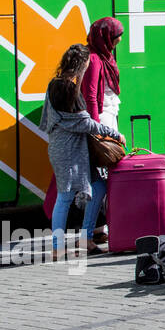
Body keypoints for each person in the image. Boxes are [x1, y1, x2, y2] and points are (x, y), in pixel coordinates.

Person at [44, 45, 123, 258]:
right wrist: (114, 134)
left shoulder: (54, 83)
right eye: (87, 63)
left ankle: (86, 238)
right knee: (66, 196)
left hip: (66, 149)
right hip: (69, 152)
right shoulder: (68, 88)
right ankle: (58, 246)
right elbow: (85, 123)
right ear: (82, 64)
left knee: (97, 187)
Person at [80, 16, 124, 244]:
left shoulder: (103, 55)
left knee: (103, 180)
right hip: (102, 123)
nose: (117, 42)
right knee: (102, 180)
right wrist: (97, 132)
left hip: (108, 118)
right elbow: (90, 96)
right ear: (105, 37)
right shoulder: (95, 58)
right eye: (116, 37)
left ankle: (99, 228)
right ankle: (91, 231)